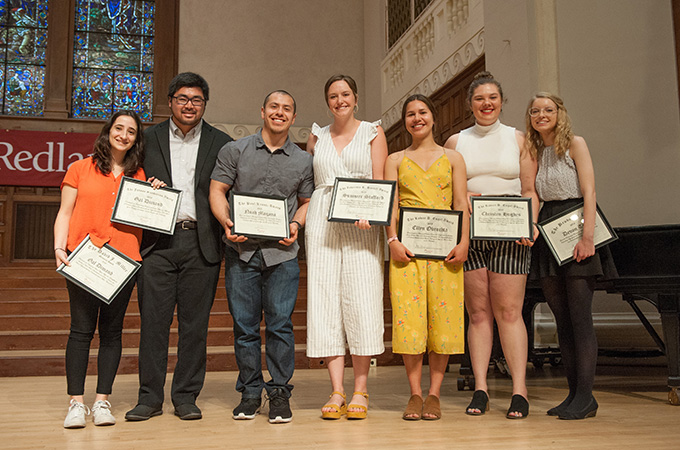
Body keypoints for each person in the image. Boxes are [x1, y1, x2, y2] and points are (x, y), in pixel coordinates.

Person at [125, 73, 233, 421]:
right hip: (157, 243)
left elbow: (233, 189)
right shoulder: (147, 137)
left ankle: (186, 396)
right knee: (153, 324)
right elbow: (126, 178)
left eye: (197, 100)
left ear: (204, 104)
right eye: (183, 98)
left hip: (201, 243)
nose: (190, 105)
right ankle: (149, 398)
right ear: (170, 101)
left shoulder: (222, 142)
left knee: (194, 327)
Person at [209, 90, 314, 424]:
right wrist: (226, 222)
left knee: (281, 326)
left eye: (286, 109)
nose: (279, 113)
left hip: (282, 254)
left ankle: (279, 393)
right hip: (242, 252)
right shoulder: (234, 150)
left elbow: (307, 200)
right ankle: (251, 392)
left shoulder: (303, 160)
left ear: (293, 118)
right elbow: (217, 190)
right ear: (263, 111)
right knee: (245, 327)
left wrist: (296, 223)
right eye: (274, 107)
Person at [54, 110, 161, 428]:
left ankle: (102, 402)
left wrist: (155, 191)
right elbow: (64, 212)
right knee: (80, 331)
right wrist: (60, 247)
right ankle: (76, 403)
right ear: (108, 131)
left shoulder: (139, 174)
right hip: (84, 258)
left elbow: (150, 214)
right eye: (119, 128)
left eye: (131, 131)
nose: (124, 135)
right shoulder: (79, 168)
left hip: (123, 262)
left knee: (112, 333)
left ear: (135, 139)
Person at [444, 71, 538, 419]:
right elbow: (448, 189)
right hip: (471, 234)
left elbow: (529, 189)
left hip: (511, 234)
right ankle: (481, 388)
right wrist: (462, 194)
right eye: (480, 98)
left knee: (510, 312)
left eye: (493, 98)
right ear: (470, 104)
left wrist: (531, 222)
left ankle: (519, 390)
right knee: (479, 314)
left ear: (501, 102)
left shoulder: (518, 139)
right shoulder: (456, 142)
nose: (486, 104)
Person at [525, 92, 616, 420]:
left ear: (559, 113)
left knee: (580, 318)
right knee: (561, 318)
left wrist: (588, 236)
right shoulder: (535, 149)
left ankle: (587, 397)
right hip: (548, 228)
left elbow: (590, 191)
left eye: (548, 109)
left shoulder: (575, 143)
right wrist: (532, 225)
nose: (541, 115)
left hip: (576, 224)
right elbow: (532, 192)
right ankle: (572, 393)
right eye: (535, 111)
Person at [305, 74, 388, 420]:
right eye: (333, 95)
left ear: (356, 98)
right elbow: (310, 182)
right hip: (323, 218)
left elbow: (381, 181)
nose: (340, 100)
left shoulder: (373, 132)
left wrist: (373, 213)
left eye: (345, 94)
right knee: (324, 299)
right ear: (327, 102)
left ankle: (361, 388)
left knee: (362, 299)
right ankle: (337, 389)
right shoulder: (316, 136)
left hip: (362, 223)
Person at [385, 94, 469, 420]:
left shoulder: (453, 158)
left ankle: (434, 393)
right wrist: (392, 239)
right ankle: (414, 394)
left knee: (443, 318)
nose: (416, 118)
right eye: (410, 114)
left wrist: (464, 242)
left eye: (422, 112)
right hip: (407, 250)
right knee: (410, 319)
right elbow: (390, 205)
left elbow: (461, 202)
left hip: (446, 250)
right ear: (405, 121)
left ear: (433, 117)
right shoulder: (394, 159)